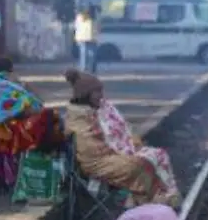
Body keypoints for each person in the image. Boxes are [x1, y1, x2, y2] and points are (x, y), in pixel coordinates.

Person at [63, 69, 181, 206]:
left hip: (111, 156)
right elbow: (94, 150)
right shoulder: (79, 120)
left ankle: (154, 201)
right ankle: (149, 205)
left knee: (156, 156)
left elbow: (119, 129)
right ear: (86, 95)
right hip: (98, 163)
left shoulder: (99, 109)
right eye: (97, 92)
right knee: (140, 165)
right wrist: (121, 152)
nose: (101, 96)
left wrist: (129, 143)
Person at [0, 56, 63, 159]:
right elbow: (3, 114)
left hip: (7, 129)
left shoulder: (1, 85)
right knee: (49, 119)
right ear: (8, 71)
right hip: (7, 132)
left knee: (50, 120)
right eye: (12, 70)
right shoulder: (0, 86)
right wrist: (31, 111)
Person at [74, 6, 98, 73]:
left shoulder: (79, 17)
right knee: (91, 55)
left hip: (81, 38)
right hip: (92, 38)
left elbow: (76, 27)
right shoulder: (94, 17)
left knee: (83, 55)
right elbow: (98, 28)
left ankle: (83, 68)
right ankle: (91, 69)